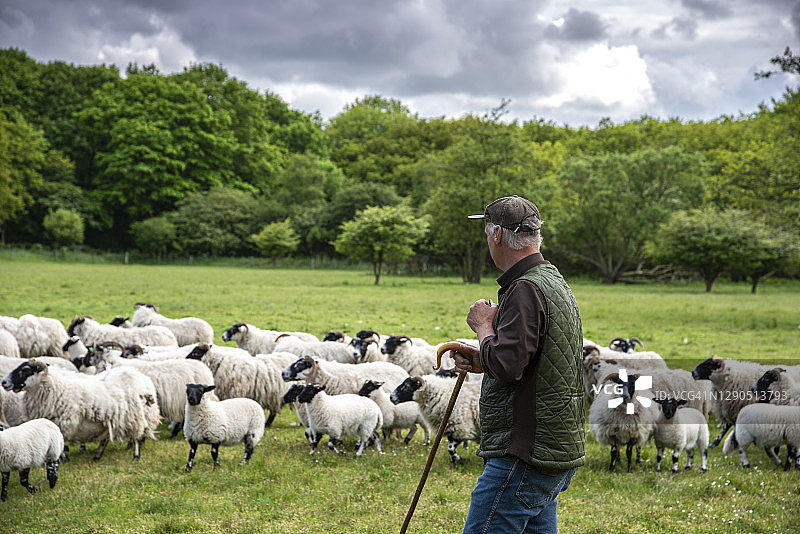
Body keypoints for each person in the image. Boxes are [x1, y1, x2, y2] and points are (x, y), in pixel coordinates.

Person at [449, 195, 585, 534]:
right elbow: (531, 359)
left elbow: (509, 366)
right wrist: (485, 359)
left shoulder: (525, 288)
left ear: (496, 234)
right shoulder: (551, 279)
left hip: (522, 455)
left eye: (485, 233)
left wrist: (483, 327)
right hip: (549, 453)